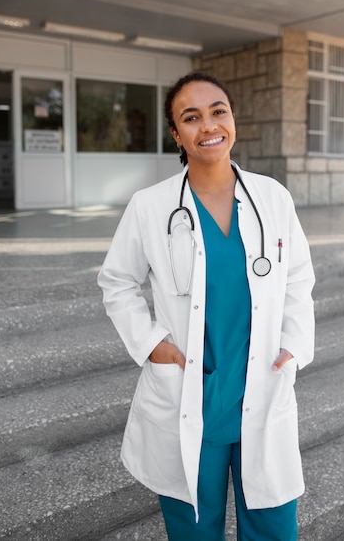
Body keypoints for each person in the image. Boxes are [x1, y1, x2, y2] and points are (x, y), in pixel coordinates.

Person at [97, 71, 315, 541]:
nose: (209, 125)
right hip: (191, 390)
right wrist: (152, 343)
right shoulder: (151, 206)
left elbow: (298, 276)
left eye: (218, 111)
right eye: (190, 117)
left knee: (274, 526)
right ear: (176, 134)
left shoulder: (272, 197)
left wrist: (295, 344)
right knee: (195, 529)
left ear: (232, 119)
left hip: (260, 379)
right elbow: (117, 281)